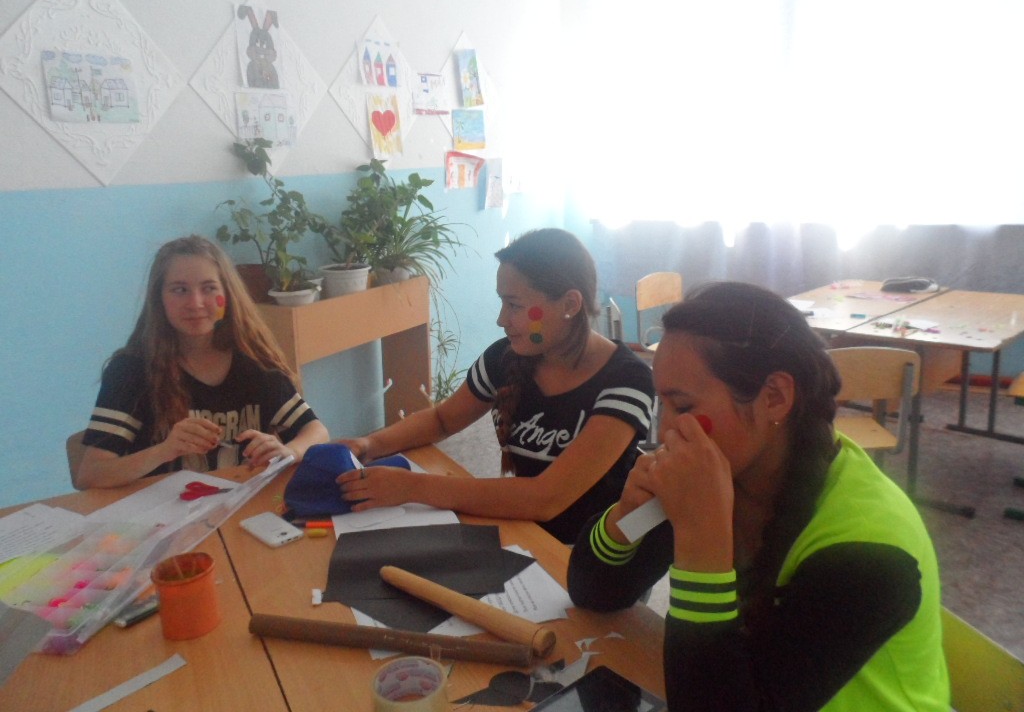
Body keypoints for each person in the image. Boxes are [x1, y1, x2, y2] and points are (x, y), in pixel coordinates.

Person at [566, 282, 949, 711]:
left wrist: (701, 542)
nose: (664, 432)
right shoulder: (728, 470)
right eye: (662, 406)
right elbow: (593, 592)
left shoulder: (869, 552)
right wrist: (625, 518)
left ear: (775, 398)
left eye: (683, 407)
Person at [336, 228, 655, 543]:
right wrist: (369, 445)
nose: (502, 319)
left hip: (592, 552)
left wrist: (411, 486)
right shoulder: (505, 357)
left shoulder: (628, 380)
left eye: (514, 305)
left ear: (570, 304)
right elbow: (442, 420)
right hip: (525, 532)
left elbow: (545, 499)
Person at [77, 235, 329, 488]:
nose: (195, 303)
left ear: (227, 295)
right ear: (159, 298)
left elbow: (316, 431)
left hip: (243, 503)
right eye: (179, 290)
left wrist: (290, 451)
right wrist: (165, 450)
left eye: (209, 288)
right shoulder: (130, 370)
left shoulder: (255, 362)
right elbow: (91, 474)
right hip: (160, 509)